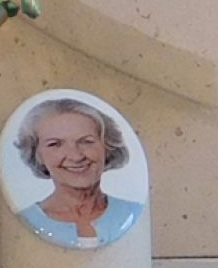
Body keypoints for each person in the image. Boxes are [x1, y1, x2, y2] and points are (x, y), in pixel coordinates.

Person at [12, 98, 142, 247]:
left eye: (86, 141)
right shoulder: (22, 223)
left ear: (107, 147)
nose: (76, 156)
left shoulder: (135, 214)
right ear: (37, 154)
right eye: (55, 144)